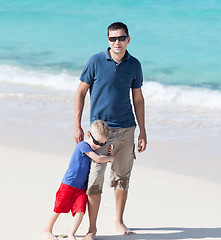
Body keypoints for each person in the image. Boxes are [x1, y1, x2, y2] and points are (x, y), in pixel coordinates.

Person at [74, 22, 147, 240]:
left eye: (121, 38)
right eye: (113, 39)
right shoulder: (95, 61)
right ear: (108, 40)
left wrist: (142, 131)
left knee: (122, 177)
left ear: (128, 39)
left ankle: (118, 220)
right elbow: (80, 92)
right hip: (99, 131)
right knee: (95, 178)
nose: (117, 42)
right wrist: (77, 125)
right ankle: (92, 227)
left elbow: (138, 99)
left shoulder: (134, 64)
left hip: (126, 128)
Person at [43, 120, 114, 240]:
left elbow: (98, 154)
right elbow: (97, 158)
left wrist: (107, 152)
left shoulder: (93, 147)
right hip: (69, 184)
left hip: (81, 187)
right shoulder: (83, 146)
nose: (98, 146)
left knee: (80, 211)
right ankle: (47, 230)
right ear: (88, 136)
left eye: (102, 144)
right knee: (58, 207)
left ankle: (71, 234)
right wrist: (110, 158)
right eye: (97, 142)